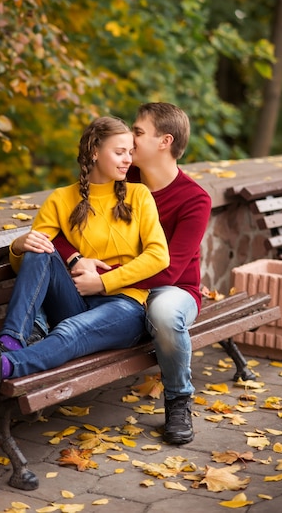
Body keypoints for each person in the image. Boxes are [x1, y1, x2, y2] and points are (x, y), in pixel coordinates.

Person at [0, 116, 170, 398]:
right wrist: (19, 246)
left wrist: (104, 282)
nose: (127, 160)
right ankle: (9, 342)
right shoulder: (61, 199)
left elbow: (159, 256)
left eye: (130, 152)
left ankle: (5, 366)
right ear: (94, 152)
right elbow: (30, 266)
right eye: (119, 152)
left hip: (125, 307)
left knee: (70, 330)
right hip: (76, 301)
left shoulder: (139, 195)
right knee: (40, 249)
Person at [55, 103, 212, 445]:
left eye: (138, 133)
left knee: (165, 313)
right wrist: (76, 258)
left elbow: (170, 269)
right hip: (123, 289)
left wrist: (104, 280)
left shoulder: (194, 200)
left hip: (174, 288)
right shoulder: (123, 179)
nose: (130, 140)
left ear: (164, 141)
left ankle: (178, 400)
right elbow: (62, 221)